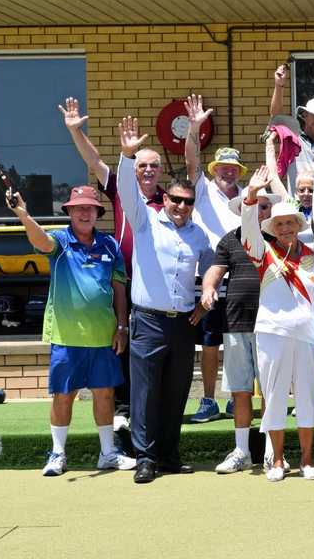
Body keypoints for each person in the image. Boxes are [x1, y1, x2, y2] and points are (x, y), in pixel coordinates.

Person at [8, 185, 135, 476]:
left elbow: (119, 289)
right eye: (78, 208)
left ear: (97, 213)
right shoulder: (60, 241)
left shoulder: (110, 245)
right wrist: (23, 214)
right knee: (63, 395)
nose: (84, 212)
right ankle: (58, 454)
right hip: (66, 337)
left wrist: (121, 326)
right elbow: (39, 241)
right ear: (69, 212)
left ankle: (107, 454)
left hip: (104, 336)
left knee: (105, 395)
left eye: (90, 208)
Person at [116, 116, 212, 484]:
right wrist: (127, 157)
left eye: (187, 202)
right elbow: (126, 191)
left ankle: (170, 454)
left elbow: (216, 266)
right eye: (175, 199)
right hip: (148, 321)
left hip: (184, 323)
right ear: (165, 198)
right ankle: (145, 457)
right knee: (144, 393)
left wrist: (206, 299)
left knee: (176, 392)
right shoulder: (145, 220)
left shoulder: (198, 235)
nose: (181, 206)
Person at [60, 96, 164, 428]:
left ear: (160, 171)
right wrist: (77, 132)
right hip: (120, 278)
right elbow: (93, 160)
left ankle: (146, 405)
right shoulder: (121, 190)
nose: (147, 170)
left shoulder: (170, 200)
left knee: (145, 345)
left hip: (154, 285)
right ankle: (121, 407)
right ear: (133, 169)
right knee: (118, 336)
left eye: (153, 166)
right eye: (141, 165)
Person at [240, 166, 314, 482]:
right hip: (272, 333)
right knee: (273, 395)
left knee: (307, 396)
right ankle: (276, 460)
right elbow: (248, 230)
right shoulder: (264, 253)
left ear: (298, 225)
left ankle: (306, 459)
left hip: (306, 334)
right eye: (280, 224)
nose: (286, 228)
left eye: (291, 223)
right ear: (273, 228)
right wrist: (250, 197)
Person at [202, 189, 277, 474]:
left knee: (271, 390)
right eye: (256, 206)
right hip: (235, 323)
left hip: (271, 326)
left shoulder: (279, 237)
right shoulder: (230, 239)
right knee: (241, 391)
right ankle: (242, 450)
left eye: (265, 206)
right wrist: (209, 287)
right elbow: (215, 270)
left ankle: (273, 449)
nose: (261, 211)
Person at [182, 94, 240, 424]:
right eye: (223, 168)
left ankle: (235, 398)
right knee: (208, 345)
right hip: (204, 282)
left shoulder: (248, 195)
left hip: (238, 283)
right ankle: (207, 400)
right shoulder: (202, 188)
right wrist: (194, 128)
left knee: (235, 344)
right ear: (215, 169)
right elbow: (191, 159)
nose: (228, 174)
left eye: (233, 169)